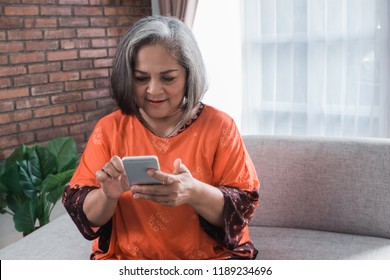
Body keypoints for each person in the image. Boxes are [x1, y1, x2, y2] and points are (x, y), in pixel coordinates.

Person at [62, 15, 260, 260]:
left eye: (168, 78)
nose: (153, 90)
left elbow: (242, 210)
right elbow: (87, 216)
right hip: (128, 261)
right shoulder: (109, 129)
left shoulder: (220, 126)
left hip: (211, 260)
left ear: (189, 75)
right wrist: (107, 195)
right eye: (141, 78)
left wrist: (193, 192)